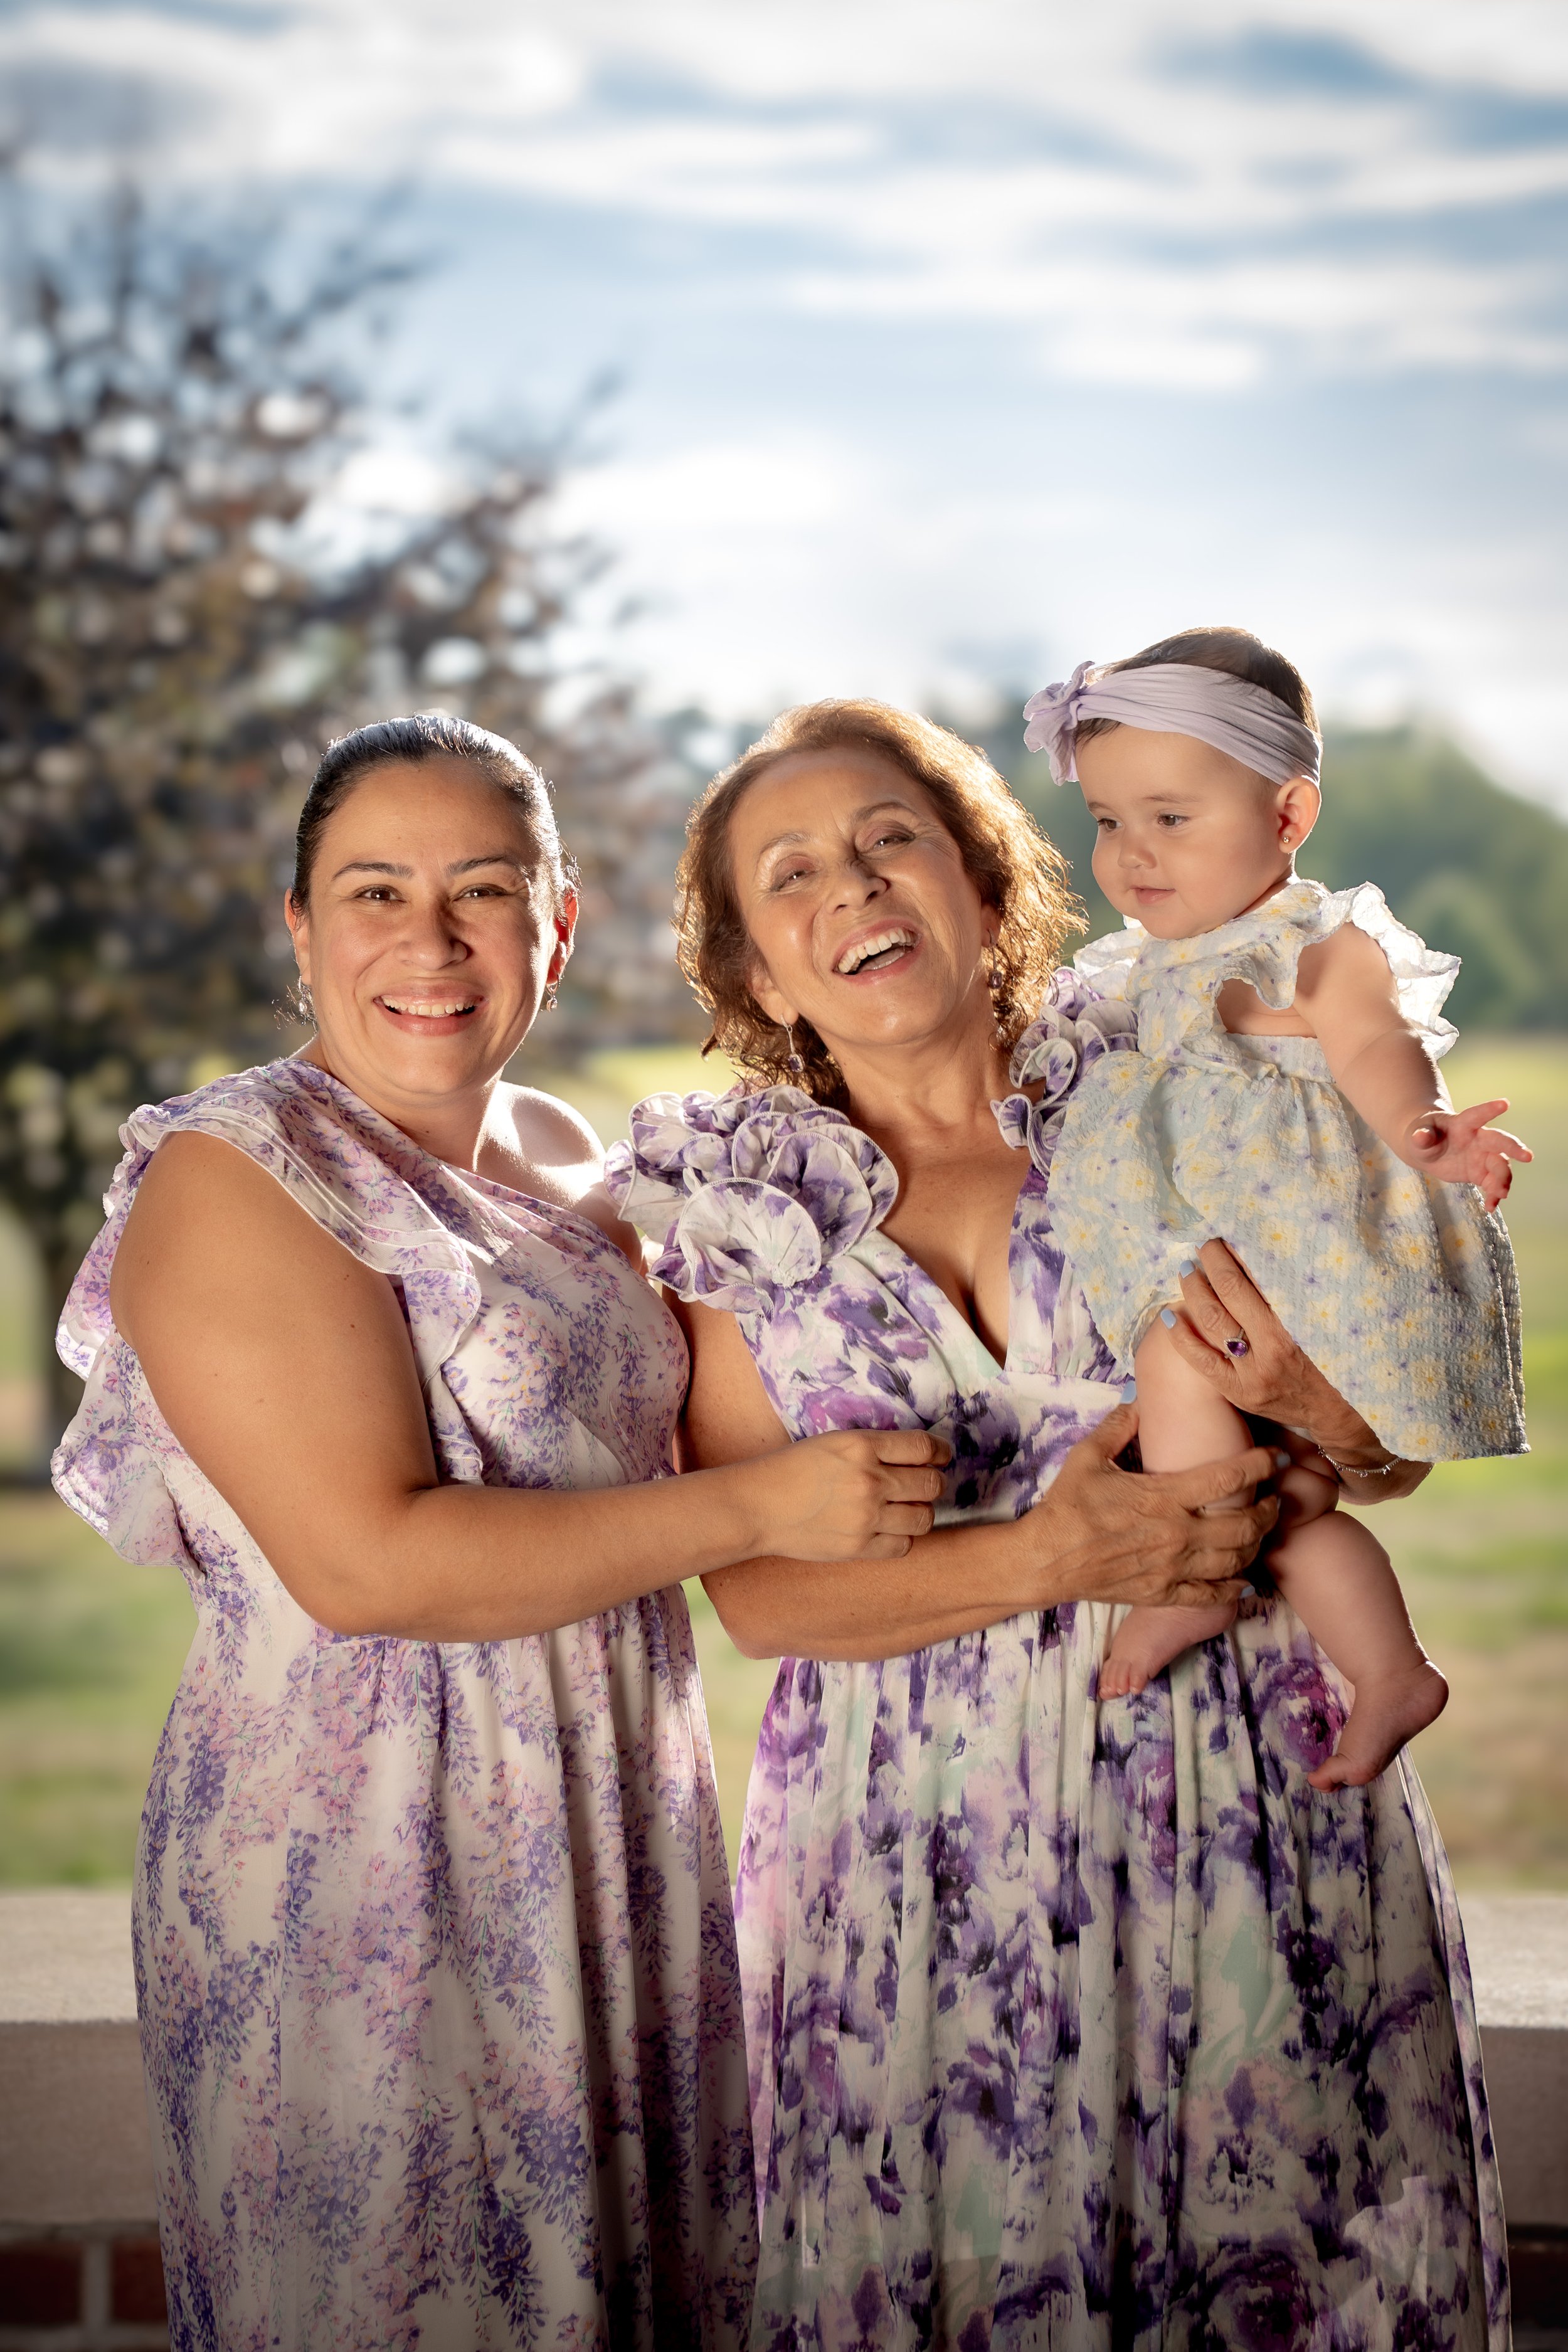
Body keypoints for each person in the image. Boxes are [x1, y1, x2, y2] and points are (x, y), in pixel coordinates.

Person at [606, 700, 1506, 2351]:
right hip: (907, 1857)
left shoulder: (1177, 1081)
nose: (850, 884)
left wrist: (1305, 1395)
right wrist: (1056, 1556)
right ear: (759, 970)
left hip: (1251, 1799)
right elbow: (765, 1604)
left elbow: (1389, 1453)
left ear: (979, 880)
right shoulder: (739, 1207)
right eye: (788, 873)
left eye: (889, 837)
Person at [50, 712, 949, 2352]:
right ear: (300, 926)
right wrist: (764, 1504)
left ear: (558, 922)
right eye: (373, 892)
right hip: (364, 1862)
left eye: (480, 889)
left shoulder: (580, 1163)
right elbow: (367, 1563)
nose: (430, 939)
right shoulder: (241, 1171)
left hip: (609, 1825)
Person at [1023, 627, 1528, 1788]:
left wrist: (1424, 1127)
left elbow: (1376, 1045)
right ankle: (1391, 1670)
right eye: (1108, 820)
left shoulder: (1315, 943)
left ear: (1290, 814)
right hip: (1239, 1244)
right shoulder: (1145, 965)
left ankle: (1196, 1573)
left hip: (1303, 1256)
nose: (1133, 853)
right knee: (1294, 1502)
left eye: (1171, 816)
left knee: (1179, 1349)